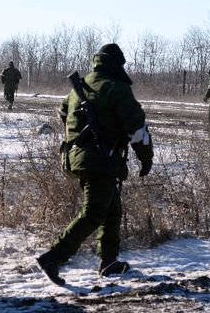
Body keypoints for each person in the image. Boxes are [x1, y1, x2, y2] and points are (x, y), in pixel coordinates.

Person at [37, 43, 153, 284]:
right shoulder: (115, 87)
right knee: (94, 212)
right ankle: (54, 257)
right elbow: (137, 129)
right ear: (117, 64)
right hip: (102, 158)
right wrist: (145, 157)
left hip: (79, 158)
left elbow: (63, 114)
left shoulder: (81, 87)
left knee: (111, 208)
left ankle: (109, 261)